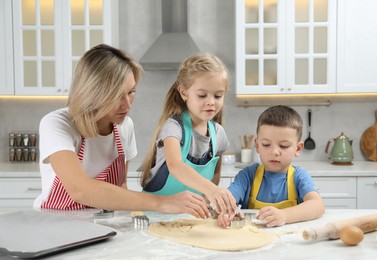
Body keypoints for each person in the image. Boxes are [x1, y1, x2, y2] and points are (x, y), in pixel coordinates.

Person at [33, 44, 209, 218]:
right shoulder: (57, 124)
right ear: (93, 93)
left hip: (103, 227)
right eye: (117, 95)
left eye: (131, 92)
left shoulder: (125, 126)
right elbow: (79, 189)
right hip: (57, 227)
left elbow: (121, 187)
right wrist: (161, 203)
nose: (127, 104)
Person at [141, 53, 237, 214]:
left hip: (189, 215)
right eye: (202, 95)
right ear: (184, 93)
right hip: (156, 214)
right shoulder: (173, 127)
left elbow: (216, 173)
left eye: (218, 95)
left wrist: (206, 200)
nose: (211, 102)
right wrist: (212, 190)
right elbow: (175, 166)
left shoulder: (219, 134)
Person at [218, 105, 325, 227]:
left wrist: (284, 216)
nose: (274, 152)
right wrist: (226, 210)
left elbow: (317, 206)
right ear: (257, 146)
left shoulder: (299, 177)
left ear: (298, 148)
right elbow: (229, 199)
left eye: (283, 146)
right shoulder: (248, 176)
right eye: (266, 144)